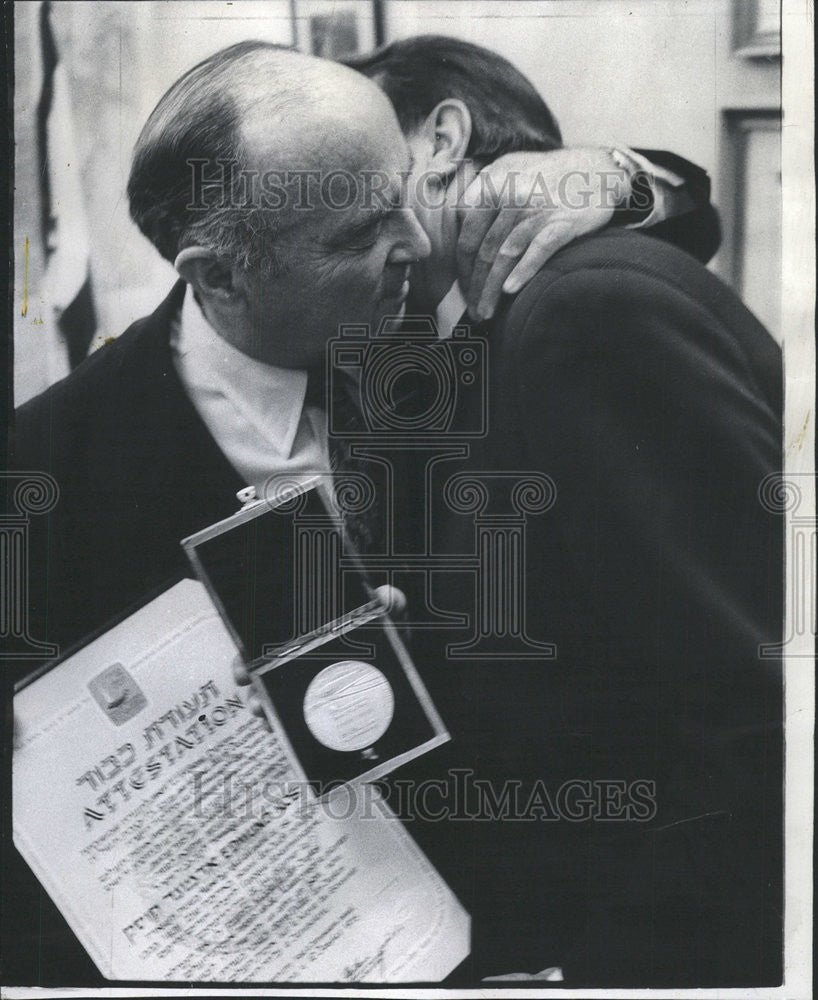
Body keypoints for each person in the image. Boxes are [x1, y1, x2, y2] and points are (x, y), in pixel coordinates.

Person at [9, 39, 720, 987]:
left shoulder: (429, 317)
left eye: (408, 192)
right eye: (360, 235)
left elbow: (682, 221)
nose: (420, 247)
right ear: (219, 275)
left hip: (557, 944)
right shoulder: (40, 471)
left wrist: (624, 177)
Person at [328, 35, 782, 987]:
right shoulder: (463, 332)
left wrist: (603, 972)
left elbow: (755, 712)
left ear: (442, 137)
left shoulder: (583, 315)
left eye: (350, 171)